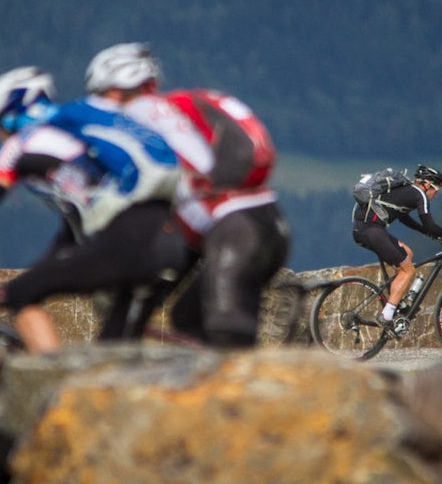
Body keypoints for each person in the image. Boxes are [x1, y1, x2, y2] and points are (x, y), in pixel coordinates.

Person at [0, 66, 188, 353]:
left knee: (21, 294)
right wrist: (45, 269)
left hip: (129, 240)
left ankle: (50, 370)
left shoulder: (21, 143)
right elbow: (73, 226)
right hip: (168, 240)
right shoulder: (77, 137)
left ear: (7, 118)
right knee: (111, 357)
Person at [84, 42, 291, 348]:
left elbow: (176, 175)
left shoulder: (149, 113)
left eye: (104, 94)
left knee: (229, 332)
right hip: (262, 222)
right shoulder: (183, 105)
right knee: (187, 318)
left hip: (234, 228)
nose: (100, 104)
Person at [351, 164, 442, 333]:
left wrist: (430, 234)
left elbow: (404, 219)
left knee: (408, 254)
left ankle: (397, 302)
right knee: (408, 271)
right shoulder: (419, 195)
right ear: (427, 185)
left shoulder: (406, 191)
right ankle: (387, 315)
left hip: (364, 229)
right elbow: (431, 225)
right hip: (372, 231)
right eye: (436, 190)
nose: (436, 195)